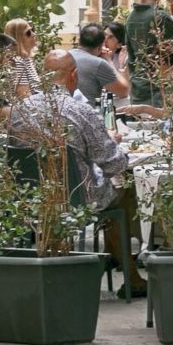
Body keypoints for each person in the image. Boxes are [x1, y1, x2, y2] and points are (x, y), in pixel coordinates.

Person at [15, 51, 144, 294]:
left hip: (30, 198)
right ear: (74, 76)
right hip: (79, 199)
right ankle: (132, 276)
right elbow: (113, 163)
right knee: (123, 190)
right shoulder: (80, 112)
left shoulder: (19, 111)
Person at [122, 0, 173, 106]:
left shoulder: (131, 19)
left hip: (138, 92)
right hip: (161, 93)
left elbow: (130, 58)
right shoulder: (160, 17)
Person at [71, 22, 131, 111]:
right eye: (105, 36)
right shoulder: (98, 63)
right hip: (86, 115)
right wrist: (108, 61)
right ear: (100, 46)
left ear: (79, 40)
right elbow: (123, 92)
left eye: (110, 37)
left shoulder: (66, 56)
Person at [4, 19, 43, 99]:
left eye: (32, 30)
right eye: (28, 33)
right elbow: (24, 97)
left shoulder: (26, 59)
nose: (34, 34)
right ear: (17, 39)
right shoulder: (18, 62)